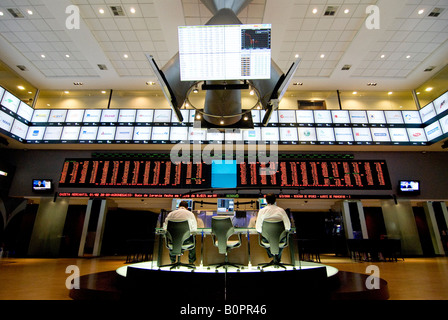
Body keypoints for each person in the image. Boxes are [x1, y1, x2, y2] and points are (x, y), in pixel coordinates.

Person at [255, 193, 291, 260]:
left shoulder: (262, 211)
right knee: (282, 240)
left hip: (267, 240)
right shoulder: (281, 210)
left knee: (265, 239)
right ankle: (277, 259)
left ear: (266, 200)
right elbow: (288, 227)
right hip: (280, 239)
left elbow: (258, 229)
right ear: (275, 200)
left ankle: (272, 256)